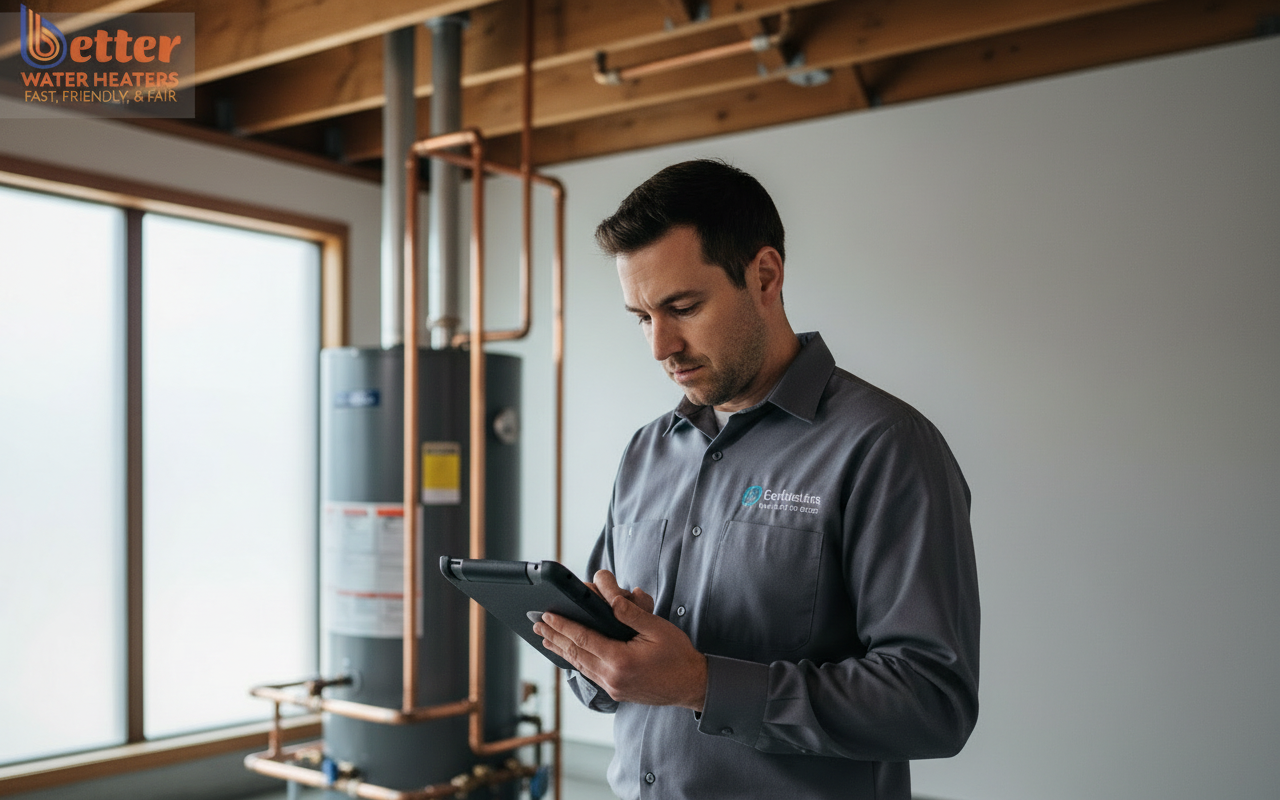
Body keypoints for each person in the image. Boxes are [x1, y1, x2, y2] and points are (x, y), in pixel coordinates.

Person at [533, 159, 979, 799]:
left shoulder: (885, 446)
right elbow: (613, 677)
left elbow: (934, 703)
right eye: (641, 316)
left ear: (764, 275)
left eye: (682, 307)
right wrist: (592, 654)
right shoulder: (646, 451)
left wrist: (701, 684)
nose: (661, 346)